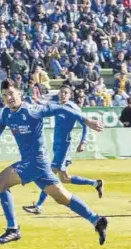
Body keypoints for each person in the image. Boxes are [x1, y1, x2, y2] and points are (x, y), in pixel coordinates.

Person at [0, 80, 108, 245]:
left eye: (11, 93)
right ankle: (97, 220)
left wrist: (87, 121)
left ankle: (13, 229)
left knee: (0, 182)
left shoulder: (33, 110)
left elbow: (62, 108)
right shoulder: (5, 114)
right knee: (63, 198)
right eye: (4, 95)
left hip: (35, 162)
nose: (8, 98)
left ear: (19, 93)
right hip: (38, 165)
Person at [22, 85, 104, 215]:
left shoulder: (73, 108)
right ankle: (95, 183)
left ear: (70, 95)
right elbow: (47, 105)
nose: (62, 95)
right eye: (60, 93)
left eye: (65, 93)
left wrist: (83, 142)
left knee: (48, 175)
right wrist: (36, 101)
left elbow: (86, 125)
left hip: (63, 146)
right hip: (57, 145)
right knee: (64, 178)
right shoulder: (58, 106)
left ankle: (38, 205)